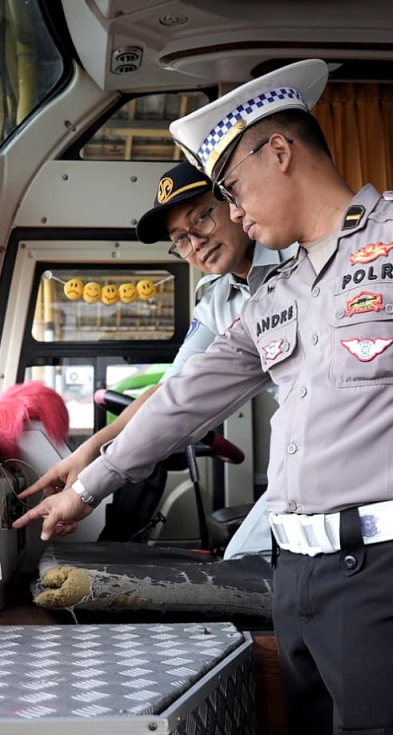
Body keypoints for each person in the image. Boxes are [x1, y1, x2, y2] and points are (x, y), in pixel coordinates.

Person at [15, 59, 393, 735]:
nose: (233, 213)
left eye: (231, 190)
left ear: (279, 151)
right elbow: (183, 398)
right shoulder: (277, 294)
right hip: (297, 576)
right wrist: (88, 487)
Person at [19, 161, 291, 558]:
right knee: (244, 560)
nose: (196, 242)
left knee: (253, 561)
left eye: (201, 218)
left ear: (232, 203)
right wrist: (88, 452)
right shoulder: (216, 300)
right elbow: (173, 390)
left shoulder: (295, 253)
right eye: (180, 239)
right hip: (297, 447)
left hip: (332, 438)